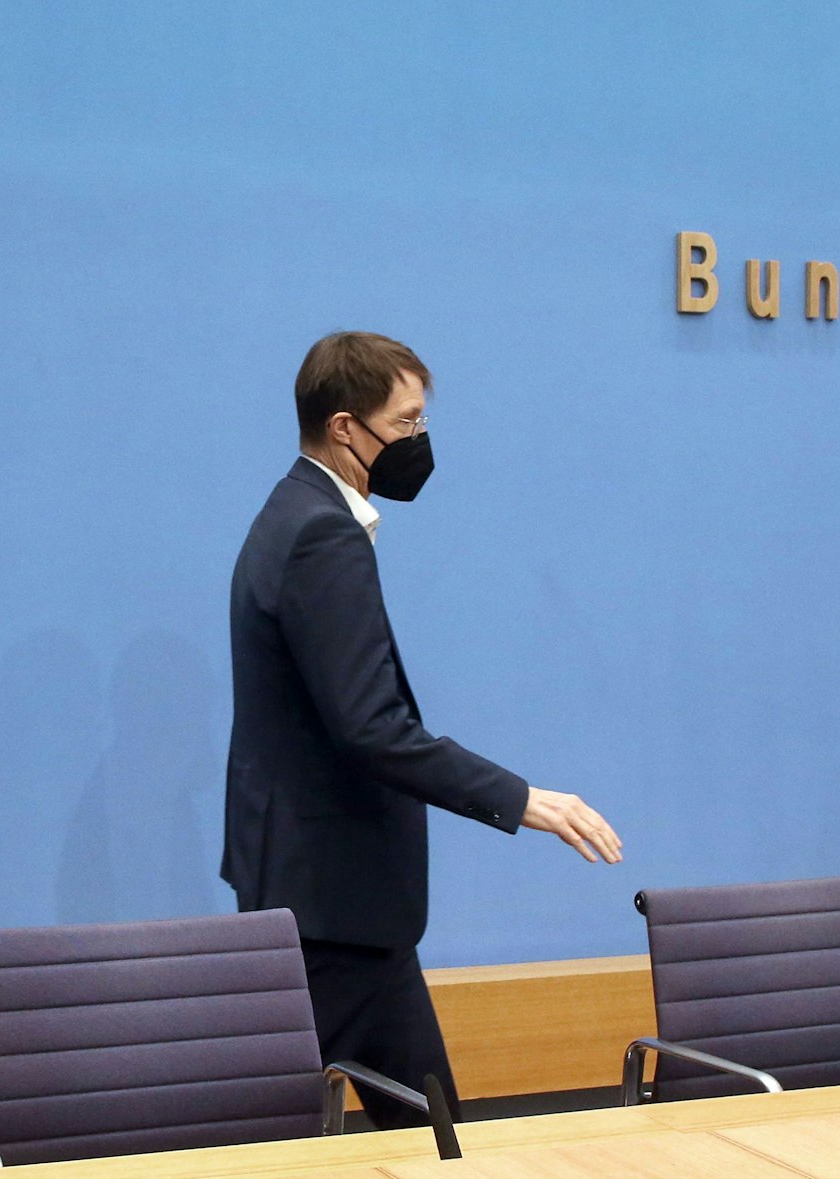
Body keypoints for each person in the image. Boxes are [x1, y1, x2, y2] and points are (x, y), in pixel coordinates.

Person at [222, 330, 621, 1127]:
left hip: (313, 891)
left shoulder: (289, 511)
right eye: (406, 424)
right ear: (345, 427)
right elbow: (373, 729)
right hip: (338, 906)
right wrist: (523, 799)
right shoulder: (321, 535)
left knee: (384, 1139)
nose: (419, 441)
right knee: (430, 1143)